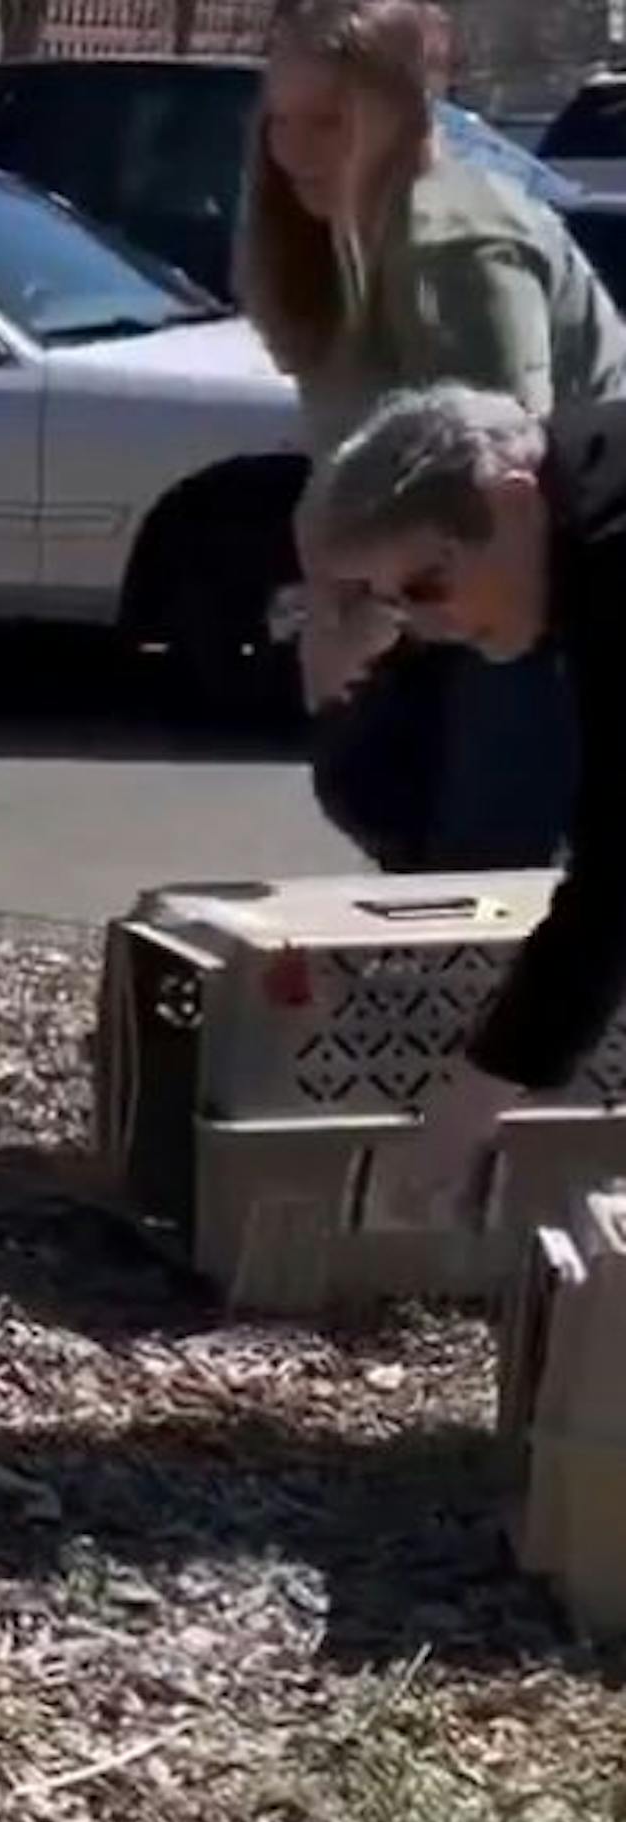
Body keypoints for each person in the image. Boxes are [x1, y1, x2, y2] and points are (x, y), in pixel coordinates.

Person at [234, 0, 626, 871]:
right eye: (280, 122)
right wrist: (333, 601)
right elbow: (352, 459)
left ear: (402, 113)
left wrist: (363, 613)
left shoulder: (461, 248)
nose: (293, 151)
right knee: (373, 794)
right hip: (424, 585)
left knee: (483, 865)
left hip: (532, 597)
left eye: (328, 121)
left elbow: (493, 484)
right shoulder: (329, 236)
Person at [296, 378, 626, 1216]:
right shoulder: (578, 498)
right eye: (393, 601)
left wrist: (474, 1100)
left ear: (510, 504)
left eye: (425, 587)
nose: (423, 622)